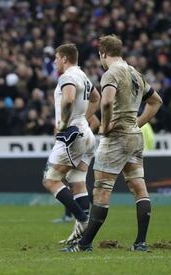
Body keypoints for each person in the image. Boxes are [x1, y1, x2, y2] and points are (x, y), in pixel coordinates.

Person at [63, 35, 163, 252]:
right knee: (139, 187)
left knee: (101, 190)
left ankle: (84, 243)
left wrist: (105, 126)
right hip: (135, 137)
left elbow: (107, 101)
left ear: (103, 54)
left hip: (116, 138)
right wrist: (137, 122)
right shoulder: (135, 73)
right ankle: (140, 243)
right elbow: (156, 102)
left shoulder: (111, 73)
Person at [42, 44, 100, 244]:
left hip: (72, 136)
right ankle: (83, 240)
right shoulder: (82, 75)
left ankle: (83, 220)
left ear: (64, 58)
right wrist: (83, 118)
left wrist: (64, 124)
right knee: (77, 181)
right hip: (87, 134)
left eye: (56, 58)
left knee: (50, 180)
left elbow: (67, 99)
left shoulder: (66, 77)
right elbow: (96, 98)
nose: (55, 61)